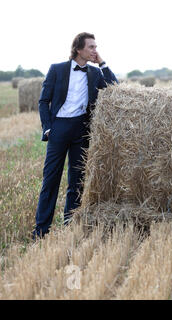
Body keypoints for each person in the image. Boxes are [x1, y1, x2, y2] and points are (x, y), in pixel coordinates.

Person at [33, 32, 118, 239]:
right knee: (50, 180)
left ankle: (70, 227)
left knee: (77, 182)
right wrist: (48, 127)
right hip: (58, 129)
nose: (95, 51)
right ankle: (41, 230)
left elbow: (115, 88)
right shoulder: (57, 69)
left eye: (96, 47)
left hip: (81, 130)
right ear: (78, 49)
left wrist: (102, 63)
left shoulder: (95, 74)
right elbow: (44, 101)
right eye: (91, 47)